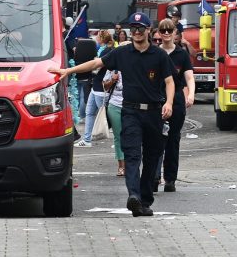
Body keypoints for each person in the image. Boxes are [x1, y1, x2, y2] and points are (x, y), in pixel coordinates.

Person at [48, 12, 174, 217]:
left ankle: (144, 200)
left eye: (140, 29)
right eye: (132, 29)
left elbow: (169, 81)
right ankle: (134, 196)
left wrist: (169, 103)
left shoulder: (159, 55)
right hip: (131, 111)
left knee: (152, 158)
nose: (136, 32)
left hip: (153, 112)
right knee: (132, 155)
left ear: (149, 30)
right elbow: (96, 63)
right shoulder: (122, 53)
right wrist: (67, 71)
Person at [154, 19, 195, 193]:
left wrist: (191, 94)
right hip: (156, 99)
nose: (166, 33)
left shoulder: (181, 54)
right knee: (155, 140)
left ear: (175, 33)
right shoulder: (154, 53)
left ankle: (170, 179)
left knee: (172, 140)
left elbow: (189, 77)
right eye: (163, 30)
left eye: (169, 30)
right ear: (159, 33)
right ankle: (154, 177)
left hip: (177, 100)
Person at [75, 30, 115, 147]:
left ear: (102, 38)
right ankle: (87, 139)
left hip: (101, 88)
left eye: (98, 36)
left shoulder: (107, 51)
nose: (96, 38)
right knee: (89, 112)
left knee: (108, 117)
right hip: (96, 86)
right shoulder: (103, 50)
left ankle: (120, 139)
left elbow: (98, 67)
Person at [103, 68, 125, 177]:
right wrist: (112, 80)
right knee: (118, 136)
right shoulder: (113, 69)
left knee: (133, 135)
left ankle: (132, 164)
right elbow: (105, 87)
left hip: (132, 106)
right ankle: (121, 165)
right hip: (114, 105)